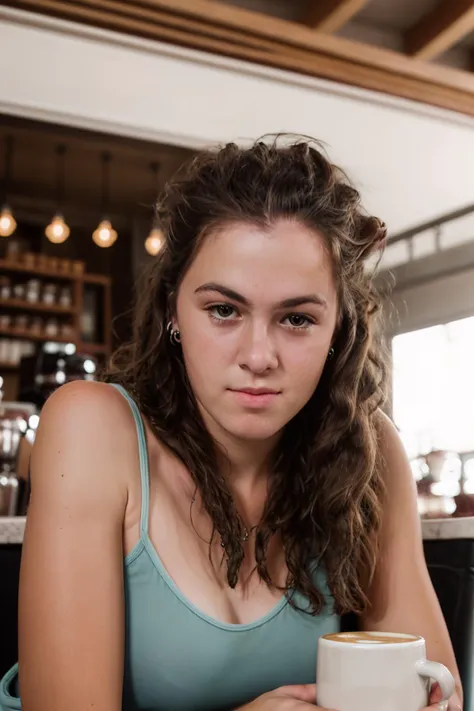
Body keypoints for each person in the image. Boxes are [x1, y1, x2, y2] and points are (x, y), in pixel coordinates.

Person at [0, 137, 462, 711]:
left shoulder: (365, 452)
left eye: (296, 318)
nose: (259, 355)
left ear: (339, 328)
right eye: (224, 310)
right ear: (173, 310)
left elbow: (432, 690)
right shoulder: (92, 429)